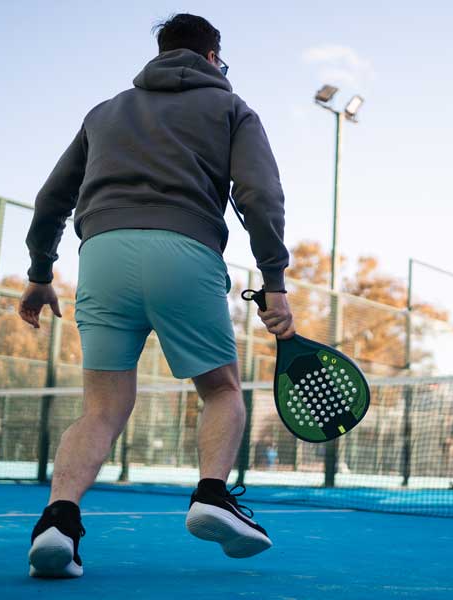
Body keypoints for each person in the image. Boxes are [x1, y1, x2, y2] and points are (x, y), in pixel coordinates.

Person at [18, 13, 295, 578]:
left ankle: (58, 522)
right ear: (215, 58)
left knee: (101, 409)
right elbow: (260, 195)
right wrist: (273, 282)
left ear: (159, 54)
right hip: (183, 250)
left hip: (100, 255)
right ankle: (212, 495)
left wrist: (41, 271)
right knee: (220, 391)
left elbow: (52, 199)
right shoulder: (233, 108)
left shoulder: (105, 111)